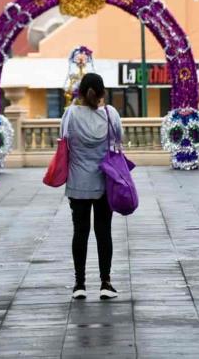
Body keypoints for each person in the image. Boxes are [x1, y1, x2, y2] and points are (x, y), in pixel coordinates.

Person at [61, 72, 122, 300]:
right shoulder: (111, 114)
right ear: (102, 92)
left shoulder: (70, 115)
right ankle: (106, 283)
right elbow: (118, 142)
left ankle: (79, 284)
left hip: (78, 184)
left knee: (80, 233)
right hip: (105, 183)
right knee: (103, 232)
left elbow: (63, 141)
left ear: (80, 92)